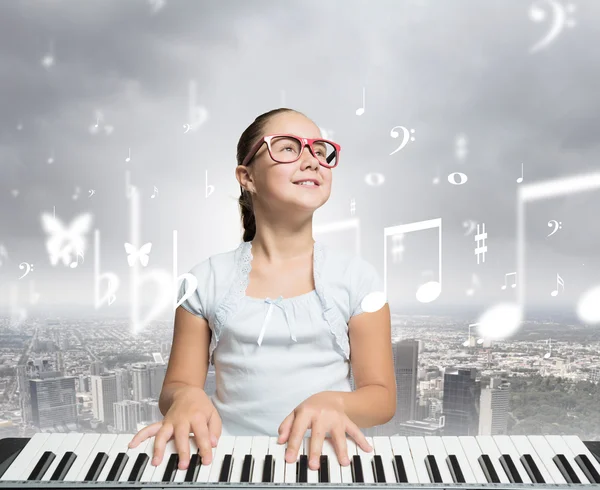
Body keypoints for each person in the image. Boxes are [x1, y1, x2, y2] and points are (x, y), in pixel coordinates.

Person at [128, 108, 396, 474]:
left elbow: (381, 397)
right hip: (229, 466)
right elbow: (175, 386)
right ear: (247, 177)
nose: (311, 160)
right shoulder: (204, 279)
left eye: (320, 150)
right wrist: (187, 395)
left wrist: (335, 403)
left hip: (329, 467)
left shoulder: (358, 278)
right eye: (287, 148)